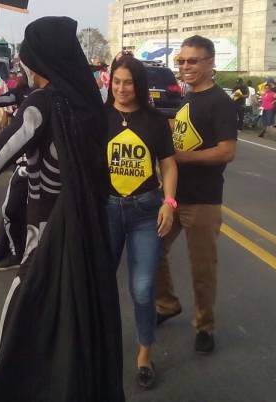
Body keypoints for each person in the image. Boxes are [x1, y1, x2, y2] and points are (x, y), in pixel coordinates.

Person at [0, 16, 124, 402]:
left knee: (19, 341)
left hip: (46, 247)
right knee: (76, 330)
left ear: (37, 59)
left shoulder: (43, 104)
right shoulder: (89, 104)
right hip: (87, 238)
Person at [155, 35, 237, 355]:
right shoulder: (187, 99)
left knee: (202, 269)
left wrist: (181, 157)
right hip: (173, 198)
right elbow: (181, 131)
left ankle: (205, 326)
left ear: (210, 63)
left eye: (193, 61)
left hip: (203, 201)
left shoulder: (221, 103)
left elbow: (226, 152)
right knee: (151, 250)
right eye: (182, 61)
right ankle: (166, 304)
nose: (185, 67)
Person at [105, 54, 177, 389]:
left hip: (146, 211)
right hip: (105, 210)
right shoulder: (99, 117)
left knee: (144, 289)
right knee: (100, 285)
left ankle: (145, 353)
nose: (121, 88)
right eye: (116, 81)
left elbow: (169, 164)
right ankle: (99, 347)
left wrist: (169, 202)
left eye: (128, 82)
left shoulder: (153, 120)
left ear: (139, 85)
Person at [0, 63, 32, 271]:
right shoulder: (20, 94)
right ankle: (10, 249)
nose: (19, 74)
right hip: (23, 163)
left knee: (20, 210)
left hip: (40, 165)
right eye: (18, 71)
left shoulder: (48, 95)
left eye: (22, 70)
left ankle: (18, 252)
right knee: (12, 209)